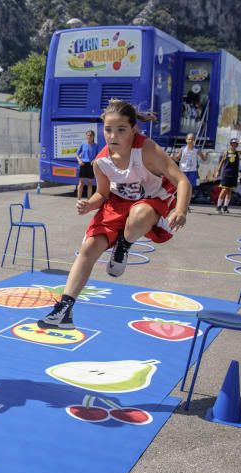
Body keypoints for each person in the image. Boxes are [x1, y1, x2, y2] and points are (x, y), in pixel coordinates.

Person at [37, 99, 190, 330]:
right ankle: (64, 310)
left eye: (121, 130)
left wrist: (180, 210)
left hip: (151, 202)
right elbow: (102, 193)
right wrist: (90, 204)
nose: (113, 135)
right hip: (116, 204)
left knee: (138, 214)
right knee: (89, 247)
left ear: (133, 130)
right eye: (108, 130)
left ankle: (124, 245)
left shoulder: (147, 149)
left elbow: (182, 180)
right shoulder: (101, 161)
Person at [214, 137, 241, 213]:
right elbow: (221, 162)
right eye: (232, 144)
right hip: (226, 174)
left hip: (234, 174)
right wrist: (218, 171)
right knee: (224, 190)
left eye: (235, 144)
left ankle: (225, 207)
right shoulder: (225, 152)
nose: (233, 146)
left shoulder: (238, 153)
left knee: (230, 191)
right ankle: (218, 207)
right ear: (230, 144)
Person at [173, 132, 207, 203]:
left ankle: (187, 203)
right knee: (182, 187)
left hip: (192, 171)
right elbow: (177, 158)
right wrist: (172, 157)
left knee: (190, 188)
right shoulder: (182, 149)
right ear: (186, 140)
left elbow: (203, 158)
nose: (190, 141)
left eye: (192, 139)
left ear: (194, 140)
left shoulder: (197, 150)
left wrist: (205, 155)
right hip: (183, 171)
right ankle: (180, 201)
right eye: (189, 139)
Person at [75, 130, 101, 201]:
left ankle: (89, 200)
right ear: (86, 136)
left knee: (90, 183)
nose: (89, 136)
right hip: (83, 164)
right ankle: (78, 199)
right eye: (88, 135)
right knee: (81, 182)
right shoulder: (83, 144)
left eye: (90, 135)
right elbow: (76, 154)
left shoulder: (96, 145)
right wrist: (79, 161)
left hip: (90, 165)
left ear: (93, 137)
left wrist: (94, 160)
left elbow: (98, 155)